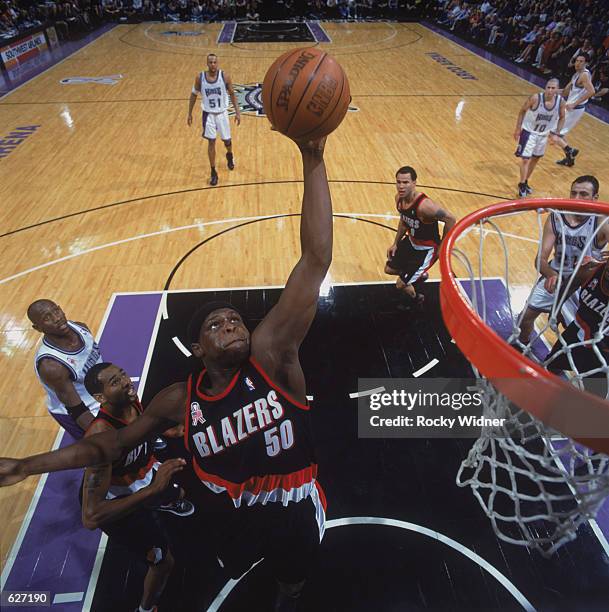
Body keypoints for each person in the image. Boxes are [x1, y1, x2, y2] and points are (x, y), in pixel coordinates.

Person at [1, 135, 331, 611]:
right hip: (231, 514)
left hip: (294, 506)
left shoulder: (272, 360)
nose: (231, 323)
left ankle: (287, 595)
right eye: (216, 324)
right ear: (199, 349)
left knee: (292, 582)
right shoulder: (180, 398)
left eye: (235, 318)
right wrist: (27, 465)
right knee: (234, 567)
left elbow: (315, 261)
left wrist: (313, 157)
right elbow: (109, 444)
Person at [81, 362, 194, 612]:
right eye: (114, 381)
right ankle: (145, 608)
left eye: (122, 374)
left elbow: (143, 428)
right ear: (100, 398)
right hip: (116, 503)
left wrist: (168, 431)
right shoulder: (100, 439)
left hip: (142, 477)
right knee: (163, 563)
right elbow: (91, 517)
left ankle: (163, 499)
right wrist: (150, 492)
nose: (125, 381)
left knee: (181, 492)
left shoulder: (131, 400)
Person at [517, 176, 609, 346]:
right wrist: (551, 274)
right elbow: (541, 259)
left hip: (583, 285)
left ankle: (559, 363)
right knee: (525, 318)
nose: (577, 199)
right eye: (573, 193)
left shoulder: (601, 221)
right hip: (555, 277)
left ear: (595, 198)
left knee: (575, 334)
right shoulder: (556, 217)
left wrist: (600, 262)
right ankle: (521, 345)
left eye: (583, 194)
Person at [28, 300, 102, 439]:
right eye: (47, 318)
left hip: (100, 396)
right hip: (80, 411)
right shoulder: (51, 366)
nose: (56, 318)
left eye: (56, 311)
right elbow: (77, 410)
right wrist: (102, 433)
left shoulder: (81, 328)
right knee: (103, 451)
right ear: (37, 328)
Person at [384, 166, 456, 304]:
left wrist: (443, 247)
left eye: (405, 182)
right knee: (389, 269)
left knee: (401, 284)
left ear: (414, 183)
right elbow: (404, 221)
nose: (401, 186)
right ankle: (418, 275)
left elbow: (451, 219)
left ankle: (417, 299)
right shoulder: (399, 199)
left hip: (427, 249)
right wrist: (395, 243)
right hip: (412, 242)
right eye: (398, 182)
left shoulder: (425, 206)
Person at [187, 53, 241, 187]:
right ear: (207, 63)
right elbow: (193, 94)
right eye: (210, 62)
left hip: (222, 113)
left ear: (218, 63)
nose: (212, 65)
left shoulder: (225, 76)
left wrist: (237, 112)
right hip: (208, 114)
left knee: (227, 141)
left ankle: (229, 154)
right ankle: (213, 172)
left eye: (214, 62)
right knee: (211, 142)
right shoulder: (200, 78)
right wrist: (189, 113)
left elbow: (233, 94)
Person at [514, 78, 565, 198]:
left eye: (553, 88)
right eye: (548, 87)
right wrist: (518, 128)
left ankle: (525, 181)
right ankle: (521, 184)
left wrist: (557, 133)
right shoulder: (536, 98)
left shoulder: (560, 102)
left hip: (543, 135)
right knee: (525, 159)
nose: (550, 90)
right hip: (529, 132)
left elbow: (562, 117)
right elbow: (522, 111)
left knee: (535, 159)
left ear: (557, 90)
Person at [554, 54, 595, 167]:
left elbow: (591, 91)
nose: (578, 63)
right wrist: (554, 91)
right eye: (577, 60)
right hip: (571, 108)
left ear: (586, 63)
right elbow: (565, 92)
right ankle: (569, 159)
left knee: (554, 132)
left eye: (581, 61)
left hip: (575, 109)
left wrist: (574, 104)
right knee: (559, 134)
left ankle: (570, 150)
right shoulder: (576, 75)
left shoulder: (584, 75)